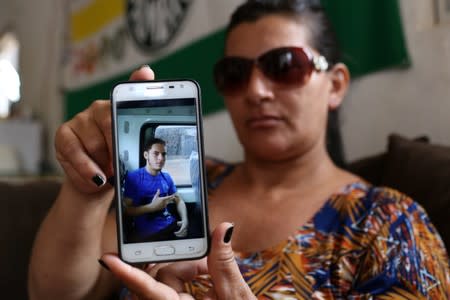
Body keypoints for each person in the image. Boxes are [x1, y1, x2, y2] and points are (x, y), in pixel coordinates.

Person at [28, 0, 450, 299]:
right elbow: (56, 294)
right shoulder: (192, 180)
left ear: (335, 84)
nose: (256, 90)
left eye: (285, 65)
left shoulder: (389, 224)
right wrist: (85, 188)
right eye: (235, 73)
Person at [122, 137, 188, 242]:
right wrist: (151, 207)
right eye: (156, 154)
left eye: (164, 154)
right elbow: (125, 210)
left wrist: (185, 220)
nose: (161, 158)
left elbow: (179, 200)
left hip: (170, 225)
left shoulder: (166, 177)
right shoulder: (134, 177)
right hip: (149, 234)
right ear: (146, 155)